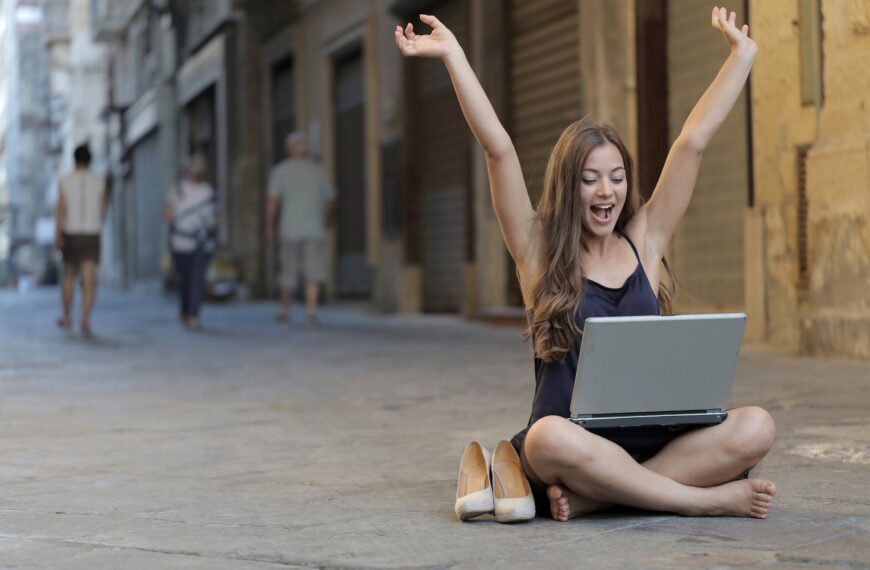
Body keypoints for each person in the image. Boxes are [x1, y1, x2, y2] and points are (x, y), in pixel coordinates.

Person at [396, 7, 777, 520]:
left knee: (757, 426)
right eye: (590, 178)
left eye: (617, 176)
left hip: (655, 441)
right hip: (575, 446)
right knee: (548, 437)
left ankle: (601, 497)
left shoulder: (645, 241)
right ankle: (701, 500)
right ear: (567, 185)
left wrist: (742, 57)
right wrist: (453, 56)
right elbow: (499, 150)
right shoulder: (540, 253)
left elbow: (692, 143)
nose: (607, 191)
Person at [266, 132, 335, 328]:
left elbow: (272, 202)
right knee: (313, 272)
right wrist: (328, 220)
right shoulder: (318, 170)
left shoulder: (280, 171)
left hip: (289, 229)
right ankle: (311, 312)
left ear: (288, 150)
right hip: (314, 229)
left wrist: (269, 227)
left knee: (288, 269)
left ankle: (284, 310)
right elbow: (330, 200)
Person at [55, 143, 108, 336]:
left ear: (74, 159)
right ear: (90, 160)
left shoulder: (65, 180)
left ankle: (67, 315)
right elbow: (103, 211)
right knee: (89, 276)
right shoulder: (100, 181)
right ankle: (85, 317)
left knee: (69, 273)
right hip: (92, 232)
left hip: (72, 232)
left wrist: (57, 233)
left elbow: (61, 208)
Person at [163, 155, 217, 331]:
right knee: (197, 279)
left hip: (180, 242)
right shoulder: (208, 190)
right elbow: (215, 219)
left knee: (186, 279)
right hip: (202, 241)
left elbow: (167, 215)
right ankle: (191, 314)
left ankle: (187, 312)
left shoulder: (177, 189)